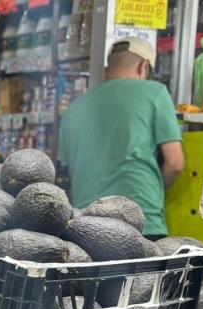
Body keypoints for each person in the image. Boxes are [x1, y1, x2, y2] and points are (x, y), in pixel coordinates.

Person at [59, 37, 184, 239]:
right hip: (141, 219)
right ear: (144, 67)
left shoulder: (73, 109)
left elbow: (67, 171)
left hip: (86, 225)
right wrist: (156, 192)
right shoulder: (155, 92)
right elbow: (175, 163)